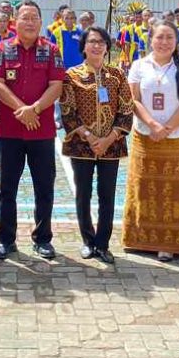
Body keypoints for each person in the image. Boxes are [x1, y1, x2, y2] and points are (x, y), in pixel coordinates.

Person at [0, 0, 65, 260]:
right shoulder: (2, 48)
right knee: (6, 188)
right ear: (15, 22)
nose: (30, 22)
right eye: (25, 17)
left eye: (34, 17)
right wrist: (23, 110)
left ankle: (43, 239)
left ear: (41, 22)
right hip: (10, 131)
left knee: (44, 187)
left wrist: (34, 109)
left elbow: (57, 85)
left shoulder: (52, 50)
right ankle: (6, 240)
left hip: (41, 131)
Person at [124, 22, 179, 261]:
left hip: (176, 138)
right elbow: (133, 99)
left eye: (169, 37)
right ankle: (141, 240)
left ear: (176, 41)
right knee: (143, 186)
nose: (164, 42)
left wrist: (166, 128)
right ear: (151, 40)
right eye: (159, 37)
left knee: (173, 191)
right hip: (144, 136)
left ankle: (169, 243)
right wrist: (153, 125)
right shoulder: (139, 65)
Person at [60, 26, 133, 263]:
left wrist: (108, 139)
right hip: (82, 145)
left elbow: (126, 111)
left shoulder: (117, 76)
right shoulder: (71, 75)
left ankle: (103, 243)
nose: (97, 46)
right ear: (84, 46)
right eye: (92, 41)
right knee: (83, 194)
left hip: (111, 146)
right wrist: (90, 138)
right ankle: (87, 240)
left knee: (107, 195)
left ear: (107, 47)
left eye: (101, 42)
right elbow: (68, 111)